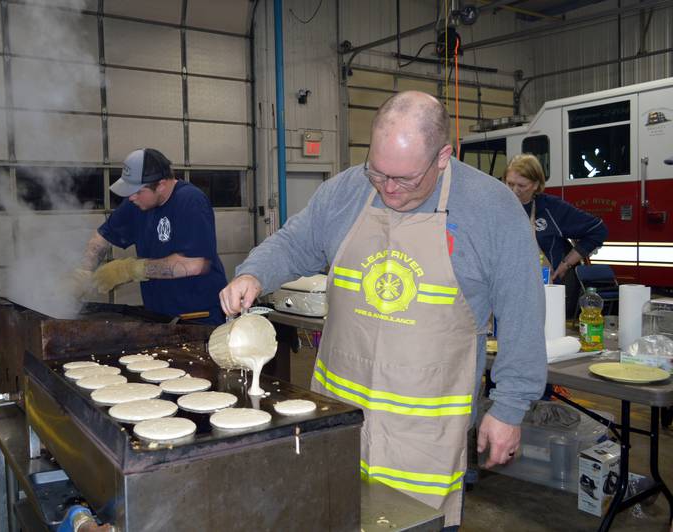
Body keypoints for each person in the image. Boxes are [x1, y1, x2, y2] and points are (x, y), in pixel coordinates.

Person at [219, 92, 547, 529]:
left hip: (426, 431)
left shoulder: (491, 209)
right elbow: (296, 241)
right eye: (378, 172)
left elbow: (523, 311)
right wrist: (254, 274)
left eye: (405, 179)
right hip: (338, 413)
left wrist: (509, 407)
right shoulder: (346, 191)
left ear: (443, 157)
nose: (389, 189)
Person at [74, 148, 227, 325]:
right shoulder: (137, 203)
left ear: (161, 185)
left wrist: (130, 270)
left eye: (137, 191)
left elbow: (194, 264)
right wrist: (83, 271)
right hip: (159, 316)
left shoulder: (190, 201)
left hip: (199, 317)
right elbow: (103, 237)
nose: (131, 197)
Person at [504, 154, 607, 318]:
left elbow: (598, 230)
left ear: (536, 185)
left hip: (546, 293)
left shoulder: (552, 208)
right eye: (509, 184)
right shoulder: (497, 207)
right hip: (508, 292)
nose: (514, 191)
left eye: (521, 185)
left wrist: (566, 264)